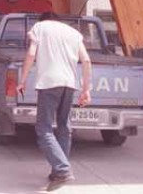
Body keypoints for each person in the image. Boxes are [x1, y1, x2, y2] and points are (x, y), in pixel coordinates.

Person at [16, 12, 91, 191]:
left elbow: (31, 55)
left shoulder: (39, 28)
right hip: (69, 84)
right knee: (64, 127)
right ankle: (57, 172)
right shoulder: (73, 33)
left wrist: (22, 80)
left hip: (49, 83)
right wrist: (86, 89)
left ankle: (62, 169)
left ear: (43, 20)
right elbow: (86, 60)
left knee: (44, 129)